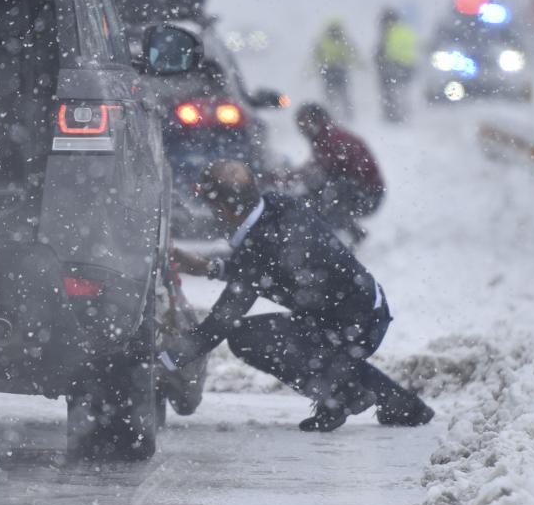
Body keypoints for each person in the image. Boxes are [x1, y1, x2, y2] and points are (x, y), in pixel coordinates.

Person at [161, 161, 434, 432]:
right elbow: (262, 270)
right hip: (362, 309)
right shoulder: (277, 205)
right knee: (325, 353)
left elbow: (219, 322)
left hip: (356, 325)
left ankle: (339, 395)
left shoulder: (261, 245)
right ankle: (402, 405)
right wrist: (210, 268)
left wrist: (161, 361)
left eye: (211, 207)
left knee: (246, 339)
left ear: (221, 209)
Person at [287, 103, 384, 244]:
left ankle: (338, 241)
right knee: (318, 196)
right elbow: (316, 168)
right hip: (363, 191)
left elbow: (321, 169)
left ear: (317, 121)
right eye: (300, 124)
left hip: (368, 195)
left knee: (329, 195)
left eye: (304, 123)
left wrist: (288, 177)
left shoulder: (331, 139)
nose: (302, 129)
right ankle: (344, 235)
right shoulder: (325, 137)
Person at [374, 7, 418, 123]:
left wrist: (380, 60)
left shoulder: (389, 32)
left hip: (393, 66)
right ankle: (404, 113)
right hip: (408, 66)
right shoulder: (406, 30)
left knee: (391, 92)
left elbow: (384, 51)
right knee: (403, 91)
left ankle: (393, 115)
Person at [311, 19, 358, 120]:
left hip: (329, 71)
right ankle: (345, 115)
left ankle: (334, 116)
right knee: (342, 95)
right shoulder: (342, 41)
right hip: (337, 70)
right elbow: (352, 55)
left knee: (335, 96)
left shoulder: (324, 41)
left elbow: (316, 58)